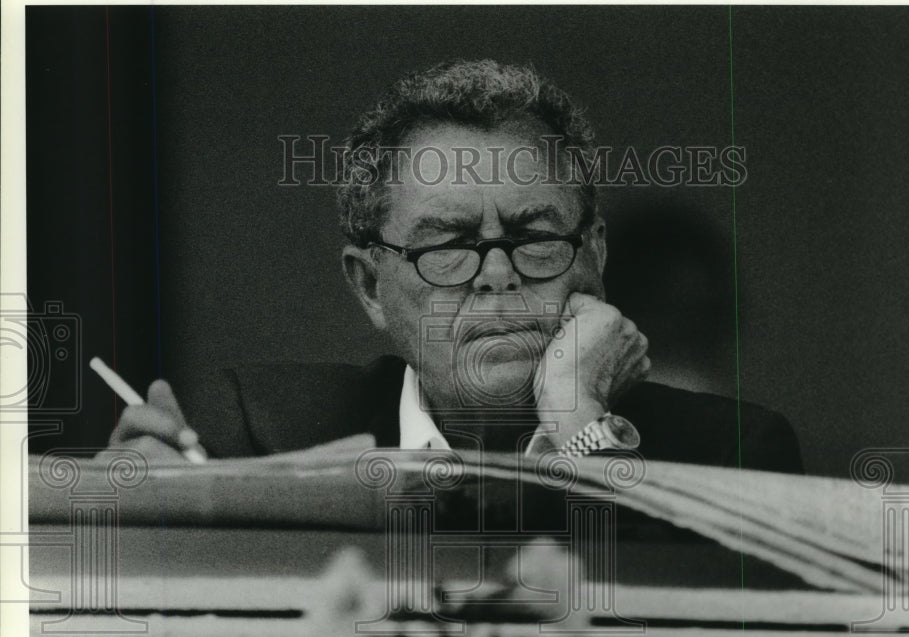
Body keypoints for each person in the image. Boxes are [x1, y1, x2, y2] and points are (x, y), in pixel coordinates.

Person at [108, 59, 803, 473]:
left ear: (592, 259)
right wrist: (128, 520)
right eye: (449, 246)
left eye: (533, 236)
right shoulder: (249, 434)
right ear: (370, 285)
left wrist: (576, 422)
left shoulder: (735, 453)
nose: (496, 275)